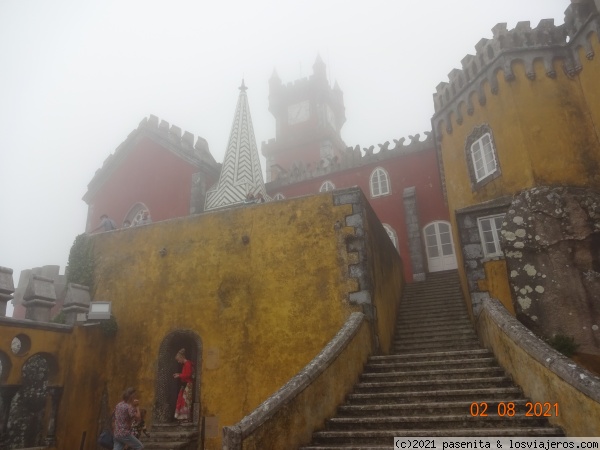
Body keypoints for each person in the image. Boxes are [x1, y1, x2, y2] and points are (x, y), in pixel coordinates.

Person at [173, 348, 193, 423]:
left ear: (182, 357)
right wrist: (179, 374)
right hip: (185, 384)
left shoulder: (187, 364)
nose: (179, 362)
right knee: (183, 400)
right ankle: (183, 417)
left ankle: (186, 417)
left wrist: (179, 375)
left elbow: (188, 375)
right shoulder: (186, 364)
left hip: (188, 384)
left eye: (179, 360)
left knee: (186, 401)